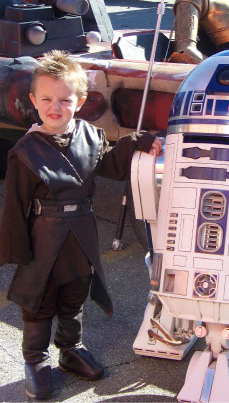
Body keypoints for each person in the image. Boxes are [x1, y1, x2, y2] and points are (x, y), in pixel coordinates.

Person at [0, 50, 162, 401]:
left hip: (81, 233)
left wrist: (136, 141)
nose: (54, 107)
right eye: (46, 99)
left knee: (74, 292)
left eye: (64, 100)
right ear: (33, 101)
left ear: (81, 102)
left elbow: (110, 166)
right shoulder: (25, 150)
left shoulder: (90, 135)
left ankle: (71, 349)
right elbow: (14, 206)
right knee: (39, 298)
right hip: (44, 234)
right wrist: (16, 248)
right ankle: (36, 359)